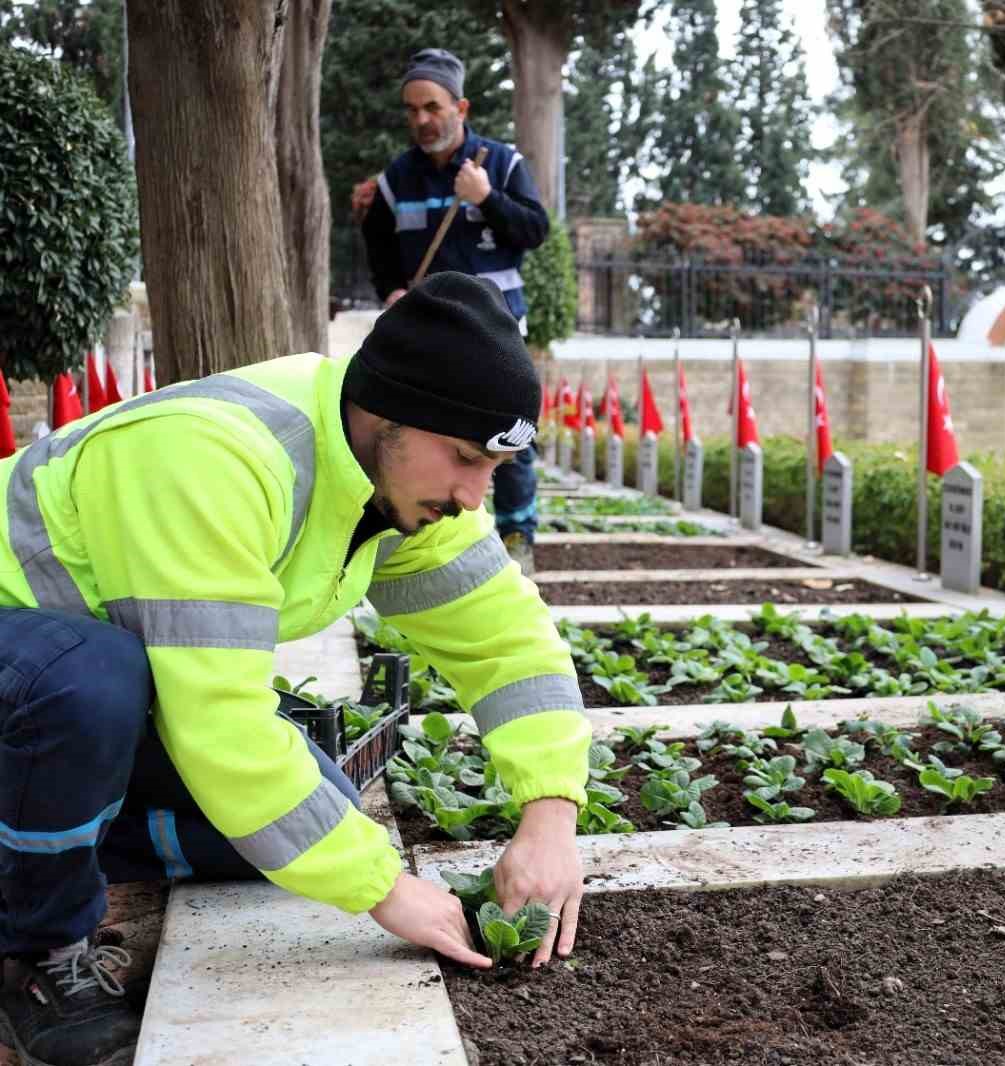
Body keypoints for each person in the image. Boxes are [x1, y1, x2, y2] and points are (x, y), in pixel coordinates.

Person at [0, 273, 588, 1066]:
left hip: (69, 708)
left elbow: (507, 643)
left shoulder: (402, 488)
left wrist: (549, 819)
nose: (475, 495)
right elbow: (220, 723)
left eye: (492, 467)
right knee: (92, 679)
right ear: (388, 419)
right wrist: (387, 891)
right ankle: (39, 947)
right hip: (40, 673)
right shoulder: (216, 455)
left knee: (307, 820)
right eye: (463, 459)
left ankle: (38, 832)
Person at [361, 47, 548, 573]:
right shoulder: (397, 179)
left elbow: (535, 230)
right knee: (431, 436)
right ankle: (431, 540)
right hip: (433, 339)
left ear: (460, 108)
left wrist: (487, 198)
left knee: (508, 437)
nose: (422, 120)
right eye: (412, 109)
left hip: (500, 332)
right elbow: (377, 242)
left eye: (433, 107)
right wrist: (392, 290)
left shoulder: (502, 164)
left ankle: (517, 536)